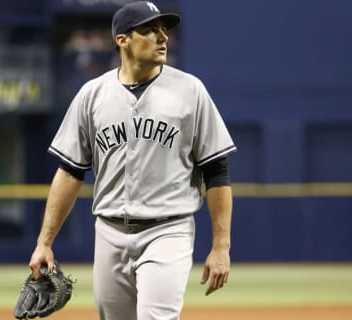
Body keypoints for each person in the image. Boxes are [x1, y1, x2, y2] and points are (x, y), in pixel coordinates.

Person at [27, 1, 237, 319]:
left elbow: (216, 170)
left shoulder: (190, 91)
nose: (162, 36)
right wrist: (45, 242)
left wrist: (221, 245)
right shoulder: (91, 95)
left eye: (164, 29)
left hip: (168, 229)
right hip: (109, 232)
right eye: (150, 30)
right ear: (122, 39)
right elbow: (70, 171)